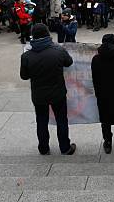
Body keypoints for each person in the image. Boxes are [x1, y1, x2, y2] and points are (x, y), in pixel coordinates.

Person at [20, 24, 76, 156]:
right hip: (58, 92)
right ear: (47, 34)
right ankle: (65, 147)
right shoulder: (58, 50)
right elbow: (69, 62)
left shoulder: (27, 56)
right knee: (61, 120)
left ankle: (43, 148)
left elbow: (24, 76)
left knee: (41, 120)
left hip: (38, 94)